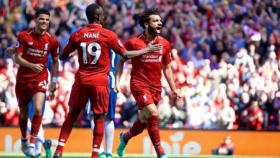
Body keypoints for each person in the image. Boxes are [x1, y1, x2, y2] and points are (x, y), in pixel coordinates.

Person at [52, 3, 162, 158]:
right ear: (99, 17)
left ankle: (59, 149)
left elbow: (62, 56)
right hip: (100, 82)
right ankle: (96, 154)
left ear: (87, 17)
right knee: (99, 117)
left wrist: (74, 51)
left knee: (72, 115)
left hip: (82, 80)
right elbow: (125, 55)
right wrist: (146, 50)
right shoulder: (108, 35)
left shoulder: (77, 34)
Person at [116, 8, 178, 158]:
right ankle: (160, 152)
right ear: (146, 24)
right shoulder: (133, 42)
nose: (160, 23)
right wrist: (117, 82)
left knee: (144, 121)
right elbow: (121, 61)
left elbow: (167, 68)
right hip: (139, 84)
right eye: (155, 21)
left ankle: (125, 138)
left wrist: (174, 89)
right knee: (153, 113)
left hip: (156, 87)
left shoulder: (165, 44)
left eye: (160, 21)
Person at [14, 8, 59, 157]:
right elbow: (17, 58)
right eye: (41, 19)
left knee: (39, 108)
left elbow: (56, 61)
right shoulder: (24, 36)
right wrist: (31, 65)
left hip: (40, 78)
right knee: (23, 113)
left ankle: (33, 144)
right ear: (36, 20)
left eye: (47, 19)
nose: (44, 22)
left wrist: (54, 80)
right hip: (23, 79)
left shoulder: (52, 41)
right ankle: (23, 139)